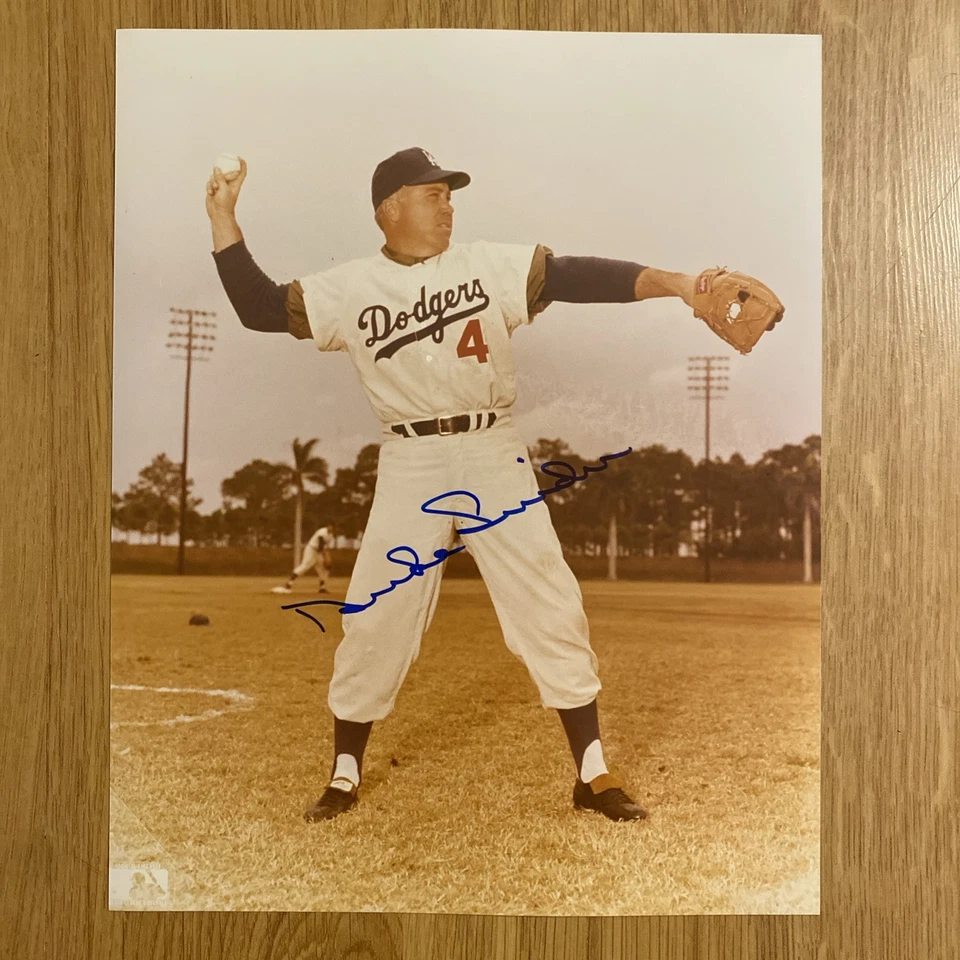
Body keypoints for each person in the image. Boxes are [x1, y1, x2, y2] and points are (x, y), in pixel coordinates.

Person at [205, 146, 706, 825]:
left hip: (492, 448)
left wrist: (675, 282)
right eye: (432, 193)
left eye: (449, 194)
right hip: (410, 460)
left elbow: (578, 275)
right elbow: (261, 308)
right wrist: (222, 218)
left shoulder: (485, 265)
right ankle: (344, 773)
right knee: (376, 614)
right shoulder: (349, 287)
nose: (447, 204)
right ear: (389, 209)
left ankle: (593, 773)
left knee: (547, 598)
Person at [272, 525, 335, 594]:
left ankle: (322, 587)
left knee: (324, 568)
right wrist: (326, 558)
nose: (331, 528)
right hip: (311, 550)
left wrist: (328, 558)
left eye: (332, 527)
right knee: (304, 566)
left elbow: (325, 547)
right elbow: (320, 546)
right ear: (327, 526)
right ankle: (288, 584)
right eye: (330, 526)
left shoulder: (330, 535)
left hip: (319, 552)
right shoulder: (322, 532)